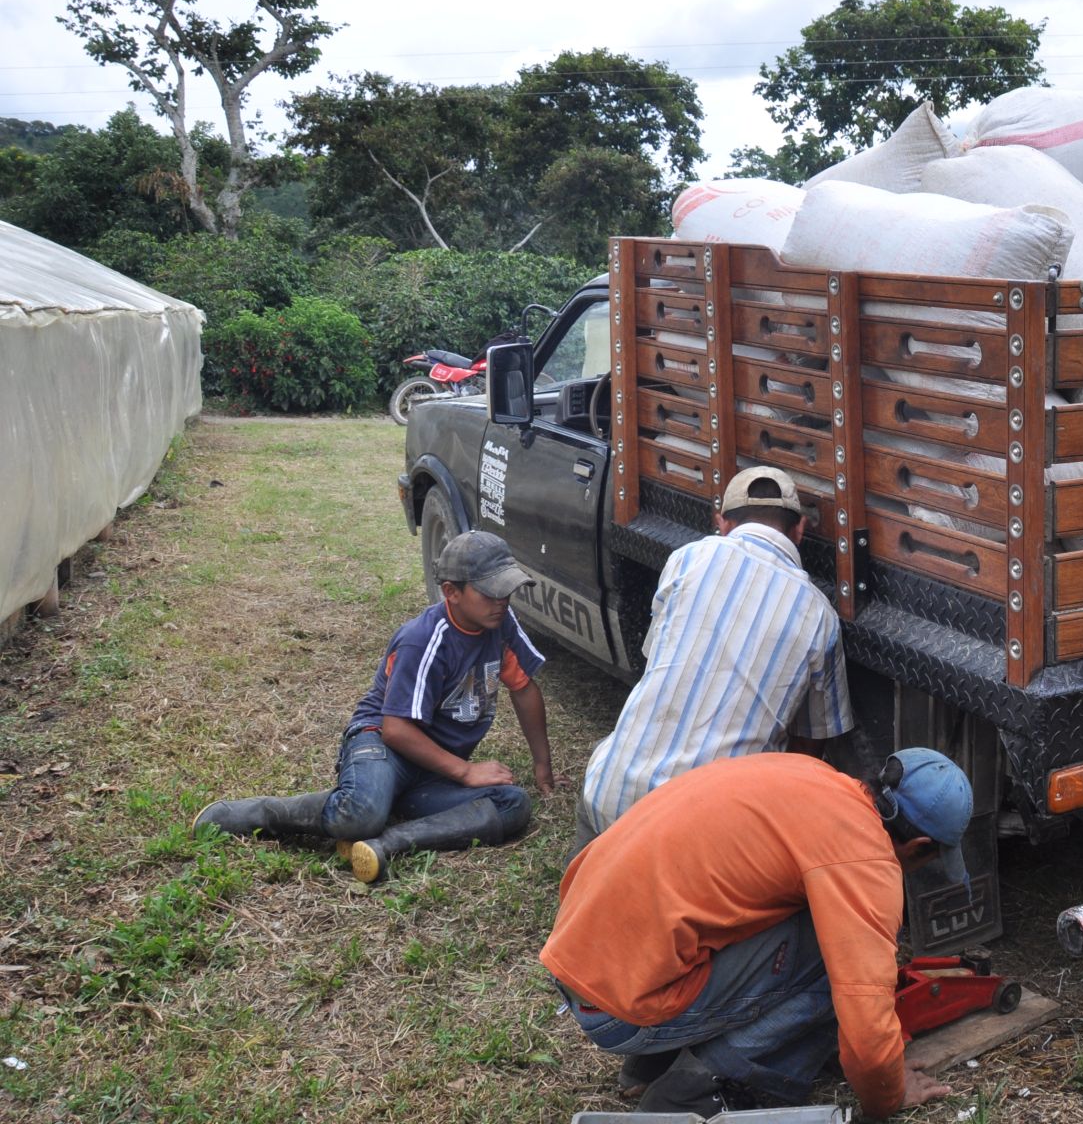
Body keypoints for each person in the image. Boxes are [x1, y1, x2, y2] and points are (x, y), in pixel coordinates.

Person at [540, 749, 963, 1117]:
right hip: (619, 1012)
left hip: (580, 961)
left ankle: (650, 1065)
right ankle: (691, 1090)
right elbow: (866, 1025)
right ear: (919, 846)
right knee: (838, 960)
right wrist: (888, 1093)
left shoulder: (810, 775)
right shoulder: (864, 856)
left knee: (799, 919)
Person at [196, 530, 555, 884]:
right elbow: (395, 730)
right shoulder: (422, 640)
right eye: (490, 592)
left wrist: (542, 765)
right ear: (451, 592)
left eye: (507, 589)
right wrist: (464, 772)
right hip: (381, 745)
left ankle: (386, 843)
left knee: (513, 804)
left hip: (433, 770)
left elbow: (523, 688)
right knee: (360, 813)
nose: (502, 601)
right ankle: (261, 813)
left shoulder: (501, 624)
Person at [573, 465, 851, 849]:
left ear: (721, 523)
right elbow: (810, 752)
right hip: (702, 845)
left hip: (610, 800)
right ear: (800, 529)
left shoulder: (687, 559)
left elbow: (656, 659)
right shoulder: (820, 616)